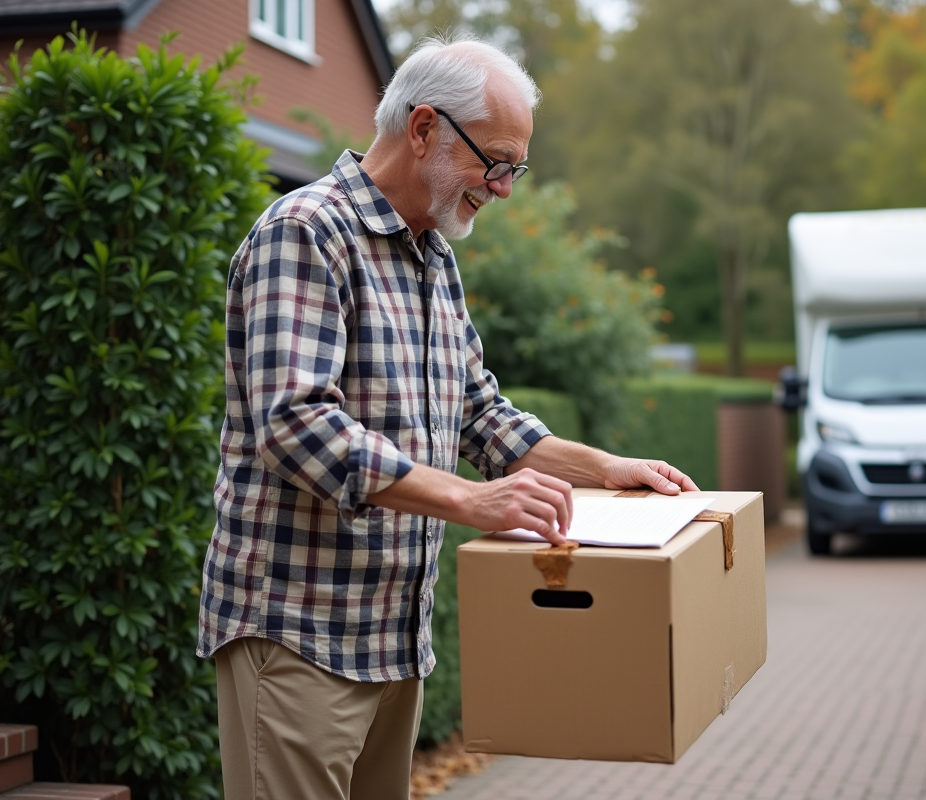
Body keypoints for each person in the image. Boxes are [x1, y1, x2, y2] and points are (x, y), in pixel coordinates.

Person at [196, 34, 698, 800]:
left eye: (514, 170)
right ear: (424, 127)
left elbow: (480, 415)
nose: (502, 188)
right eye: (494, 162)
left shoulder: (433, 257)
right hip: (297, 635)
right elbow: (295, 424)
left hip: (394, 639)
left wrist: (604, 469)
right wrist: (470, 500)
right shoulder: (306, 232)